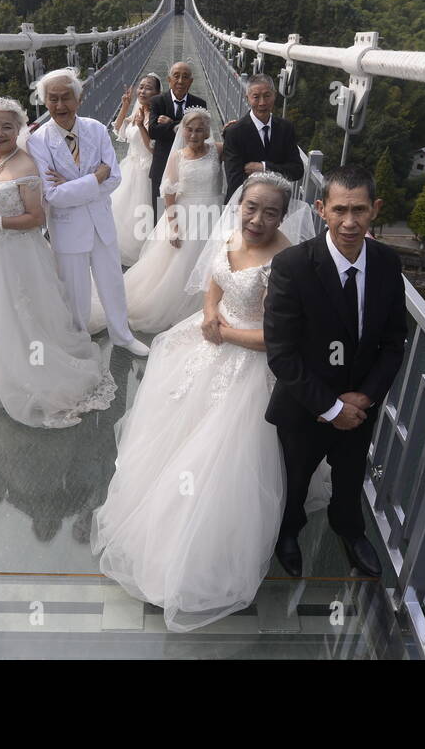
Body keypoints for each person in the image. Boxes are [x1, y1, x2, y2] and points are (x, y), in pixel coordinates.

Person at [91, 173, 316, 631]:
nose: (257, 219)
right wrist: (211, 315)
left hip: (250, 360)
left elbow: (279, 339)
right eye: (251, 207)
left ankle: (201, 552)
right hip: (212, 338)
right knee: (172, 429)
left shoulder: (287, 261)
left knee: (222, 452)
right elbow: (216, 280)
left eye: (270, 212)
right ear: (240, 203)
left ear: (283, 215)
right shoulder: (232, 232)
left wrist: (225, 333)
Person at [264, 164, 411, 579]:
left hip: (360, 406)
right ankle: (288, 533)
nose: (350, 222)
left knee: (350, 477)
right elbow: (282, 353)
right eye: (340, 209)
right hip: (304, 406)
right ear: (320, 209)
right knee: (294, 479)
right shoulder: (292, 265)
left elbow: (394, 341)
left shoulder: (386, 262)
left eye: (360, 210)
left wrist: (364, 397)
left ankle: (349, 530)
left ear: (375, 210)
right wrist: (330, 407)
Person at [0, 96, 116, 427]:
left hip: (18, 255)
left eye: (7, 127)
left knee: (19, 315)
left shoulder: (26, 166)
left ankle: (28, 373)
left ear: (19, 130)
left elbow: (36, 218)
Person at [26, 68, 150, 357]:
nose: (59, 106)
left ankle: (122, 335)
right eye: (52, 99)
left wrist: (74, 186)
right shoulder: (38, 141)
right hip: (67, 228)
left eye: (65, 97)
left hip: (102, 222)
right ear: (45, 102)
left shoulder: (96, 128)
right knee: (75, 291)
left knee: (113, 283)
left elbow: (115, 177)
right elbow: (53, 196)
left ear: (78, 99)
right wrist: (95, 179)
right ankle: (79, 341)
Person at [107, 108, 225, 335]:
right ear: (183, 131)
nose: (194, 134)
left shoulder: (217, 150)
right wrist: (173, 226)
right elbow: (168, 193)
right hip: (185, 215)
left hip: (213, 215)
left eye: (200, 130)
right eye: (189, 130)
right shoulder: (177, 156)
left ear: (207, 131)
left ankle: (208, 307)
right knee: (179, 265)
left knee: (210, 262)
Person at [222, 73, 304, 202]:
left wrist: (264, 168)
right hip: (242, 203)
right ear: (247, 98)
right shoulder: (234, 132)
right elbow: (234, 180)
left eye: (267, 96)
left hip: (276, 206)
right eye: (256, 97)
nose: (262, 102)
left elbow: (297, 170)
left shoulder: (286, 128)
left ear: (275, 95)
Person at [108, 73, 160, 265]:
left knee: (141, 212)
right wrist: (125, 104)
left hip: (146, 170)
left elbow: (154, 149)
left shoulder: (157, 115)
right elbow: (119, 131)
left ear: (157, 93)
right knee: (121, 208)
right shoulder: (138, 110)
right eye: (141, 87)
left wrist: (141, 127)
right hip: (130, 165)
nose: (142, 91)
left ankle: (143, 253)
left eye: (148, 88)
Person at [147, 61, 208, 217]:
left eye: (185, 77)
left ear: (191, 81)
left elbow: (201, 134)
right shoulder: (157, 101)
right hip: (162, 165)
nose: (181, 81)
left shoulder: (199, 104)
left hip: (190, 168)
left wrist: (171, 124)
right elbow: (153, 131)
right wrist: (183, 125)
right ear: (169, 79)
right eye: (176, 76)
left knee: (187, 215)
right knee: (161, 214)